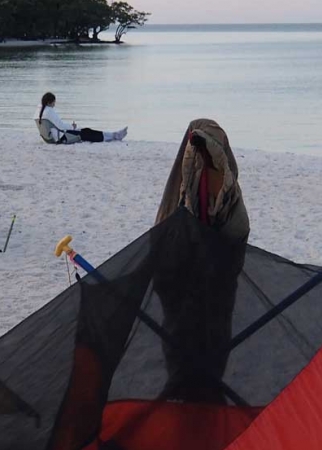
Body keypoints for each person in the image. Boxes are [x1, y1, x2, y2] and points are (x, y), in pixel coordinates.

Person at [152, 118, 250, 404]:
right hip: (181, 284)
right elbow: (165, 237)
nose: (202, 157)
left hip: (216, 285)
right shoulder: (180, 188)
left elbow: (236, 235)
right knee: (180, 339)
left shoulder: (229, 191)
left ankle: (206, 391)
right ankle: (183, 390)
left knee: (214, 341)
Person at [33, 92, 128, 144]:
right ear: (49, 102)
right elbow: (61, 126)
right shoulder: (49, 111)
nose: (55, 104)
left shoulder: (39, 111)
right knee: (87, 132)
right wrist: (72, 126)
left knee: (85, 131)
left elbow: (57, 126)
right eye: (54, 102)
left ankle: (112, 135)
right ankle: (114, 136)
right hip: (60, 138)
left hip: (50, 139)